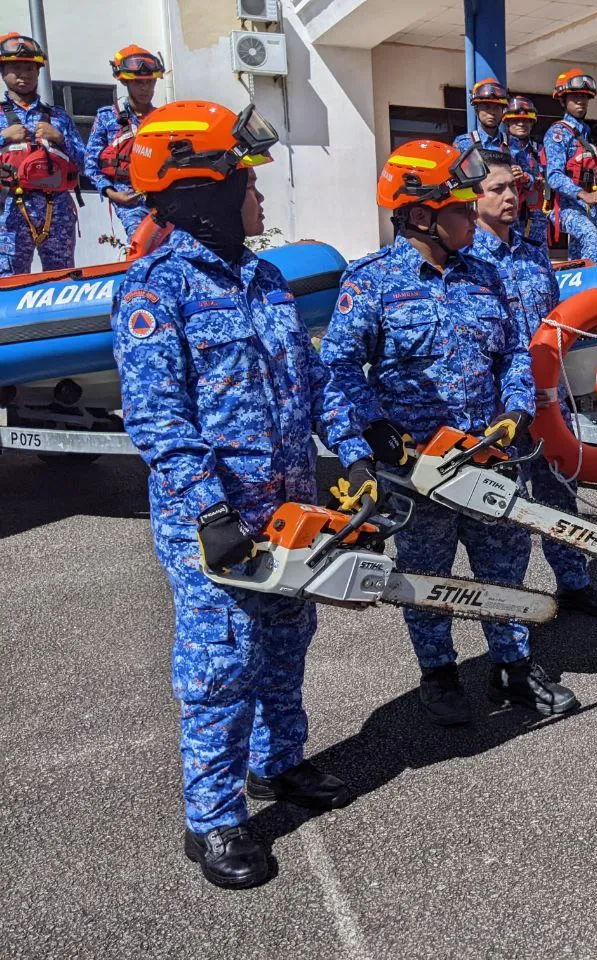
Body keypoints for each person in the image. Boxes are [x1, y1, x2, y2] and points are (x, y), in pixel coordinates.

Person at [112, 100, 373, 889]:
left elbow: (310, 380)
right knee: (221, 668)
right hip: (215, 525)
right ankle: (214, 819)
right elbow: (157, 420)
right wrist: (212, 513)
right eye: (247, 180)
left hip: (291, 512)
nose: (260, 196)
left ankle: (278, 766)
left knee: (288, 645)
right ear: (204, 188)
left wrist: (353, 452)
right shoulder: (154, 290)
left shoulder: (265, 278)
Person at [321, 139, 579, 727]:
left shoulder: (486, 276)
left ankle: (512, 668)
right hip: (416, 470)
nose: (472, 217)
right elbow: (335, 369)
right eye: (460, 208)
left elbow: (515, 350)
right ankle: (438, 672)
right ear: (420, 215)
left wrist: (515, 409)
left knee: (506, 565)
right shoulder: (371, 282)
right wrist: (371, 436)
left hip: (489, 459)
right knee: (427, 578)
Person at [466, 149, 597, 618]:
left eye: (513, 188)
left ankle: (574, 583)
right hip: (497, 413)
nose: (511, 196)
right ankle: (510, 606)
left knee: (561, 497)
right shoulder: (466, 261)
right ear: (473, 199)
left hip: (549, 402)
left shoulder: (535, 257)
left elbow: (560, 328)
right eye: (497, 189)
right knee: (506, 512)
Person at [0, 33, 85, 275]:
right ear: (3, 72)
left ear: (38, 72)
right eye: (15, 68)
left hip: (56, 209)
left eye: (29, 68)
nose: (23, 74)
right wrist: (4, 136)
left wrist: (60, 137)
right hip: (9, 211)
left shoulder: (58, 116)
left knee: (62, 278)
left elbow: (85, 162)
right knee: (8, 281)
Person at [85, 45, 164, 242]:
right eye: (138, 82)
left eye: (149, 82)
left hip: (163, 197)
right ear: (125, 82)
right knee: (141, 242)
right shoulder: (107, 116)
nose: (145, 88)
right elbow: (90, 163)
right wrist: (112, 194)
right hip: (128, 197)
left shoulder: (163, 118)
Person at [540, 68, 597, 262]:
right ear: (563, 100)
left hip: (587, 208)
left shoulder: (585, 135)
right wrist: (583, 194)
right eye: (575, 96)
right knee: (589, 235)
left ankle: (577, 288)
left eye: (584, 97)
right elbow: (553, 175)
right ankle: (593, 286)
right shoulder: (559, 133)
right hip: (565, 208)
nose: (581, 101)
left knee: (579, 254)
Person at [502, 95, 549, 245]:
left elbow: (550, 179)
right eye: (516, 120)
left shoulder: (540, 151)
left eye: (526, 120)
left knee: (539, 261)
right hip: (507, 215)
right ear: (507, 122)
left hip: (535, 217)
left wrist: (530, 179)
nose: (521, 124)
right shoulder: (499, 148)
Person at [452, 78, 509, 153]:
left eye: (497, 107)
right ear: (476, 110)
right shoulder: (462, 143)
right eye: (486, 107)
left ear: (502, 111)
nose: (492, 112)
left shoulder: (513, 144)